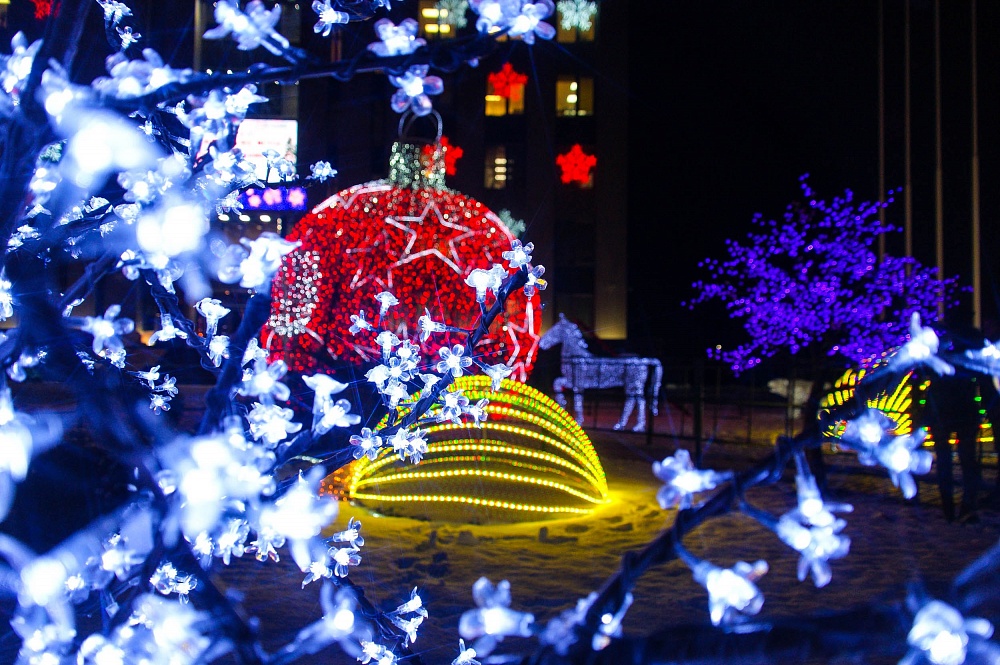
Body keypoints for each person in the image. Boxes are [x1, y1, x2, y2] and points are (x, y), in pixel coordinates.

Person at [921, 316, 994, 524]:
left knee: (952, 462)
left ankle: (952, 510)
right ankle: (961, 508)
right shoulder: (965, 345)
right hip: (959, 410)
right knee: (966, 461)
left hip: (947, 410)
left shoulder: (939, 347)